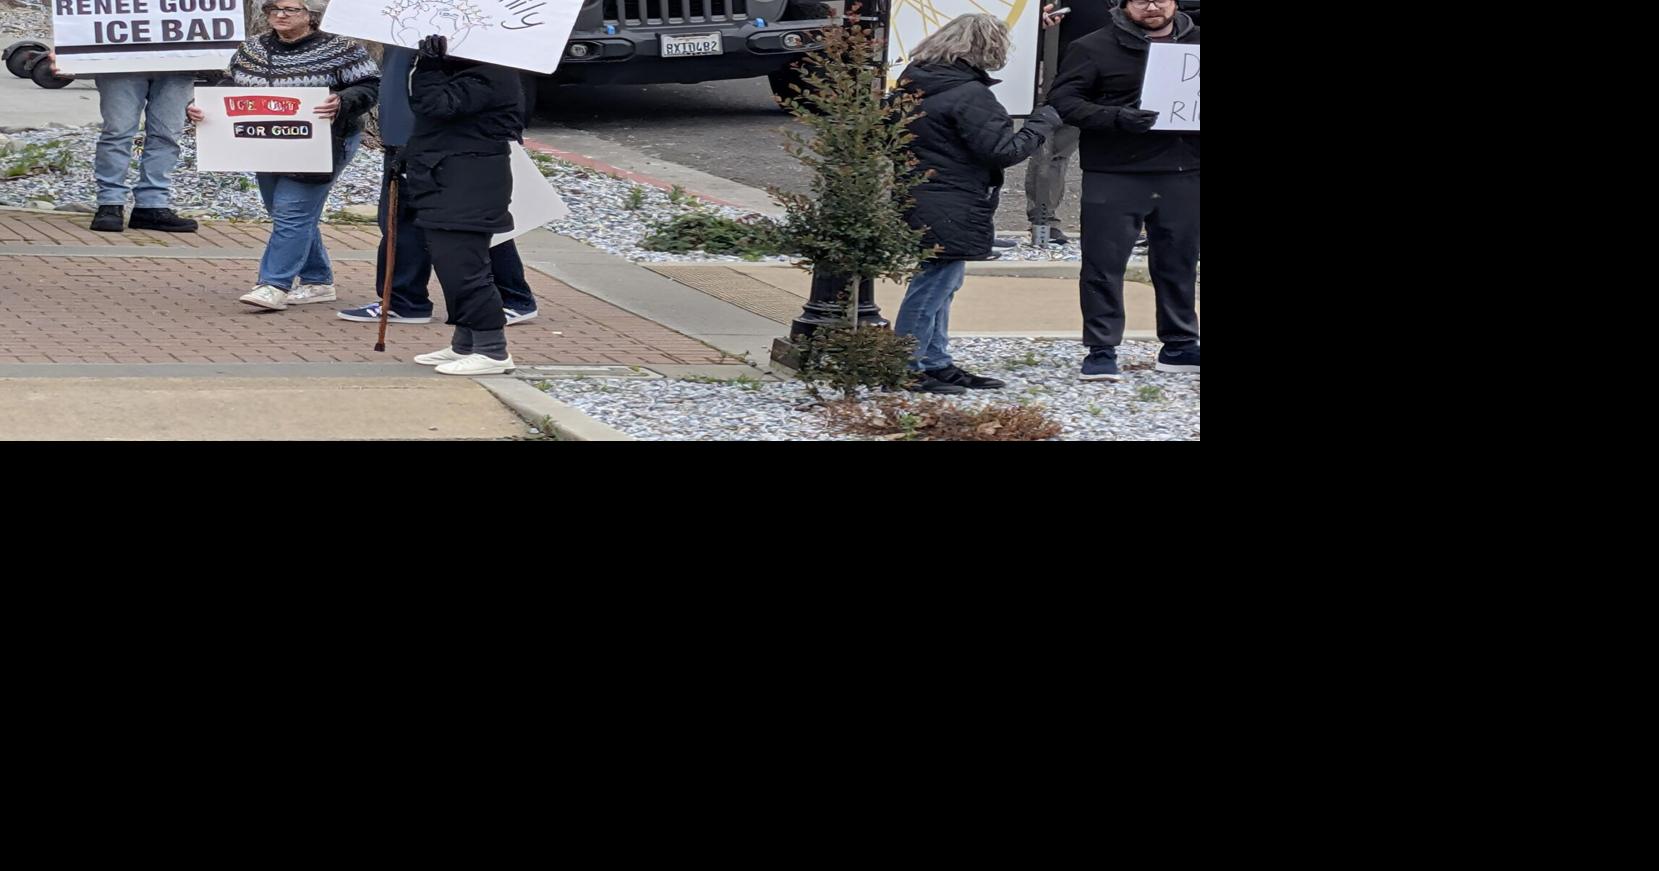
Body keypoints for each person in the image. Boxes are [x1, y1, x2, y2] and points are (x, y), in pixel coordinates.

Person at [893, 13, 1060, 394]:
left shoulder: (914, 83)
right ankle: (908, 365)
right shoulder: (969, 94)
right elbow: (1002, 150)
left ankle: (934, 361)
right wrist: (1041, 123)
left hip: (920, 191)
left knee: (942, 279)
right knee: (934, 284)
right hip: (954, 197)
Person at [188, 0, 380, 312]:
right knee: (285, 212)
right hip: (266, 142)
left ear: (312, 15)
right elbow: (229, 85)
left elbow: (369, 86)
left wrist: (342, 101)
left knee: (293, 210)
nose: (280, 14)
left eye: (291, 9)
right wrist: (203, 108)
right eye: (273, 8)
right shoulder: (252, 48)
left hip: (325, 141)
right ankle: (317, 280)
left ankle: (273, 284)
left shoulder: (342, 48)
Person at [1047, 0, 1199, 380]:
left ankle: (1180, 343)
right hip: (1114, 170)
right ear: (1124, 4)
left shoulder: (1196, 44)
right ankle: (1102, 348)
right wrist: (1115, 117)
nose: (1153, 7)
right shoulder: (1092, 46)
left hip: (1184, 169)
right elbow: (1064, 101)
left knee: (1179, 262)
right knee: (1103, 263)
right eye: (1142, 0)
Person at [336, 45, 539, 328]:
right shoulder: (402, 37)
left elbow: (446, 99)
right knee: (406, 222)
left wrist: (431, 66)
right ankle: (405, 300)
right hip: (410, 135)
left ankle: (510, 298)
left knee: (464, 228)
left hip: (440, 142)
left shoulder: (466, 52)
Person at [399, 35, 524, 376]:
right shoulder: (469, 70)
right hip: (449, 179)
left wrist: (428, 67)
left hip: (467, 183)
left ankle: (493, 350)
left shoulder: (491, 73)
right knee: (452, 266)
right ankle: (466, 342)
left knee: (465, 269)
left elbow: (435, 105)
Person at [47, 55, 199, 233]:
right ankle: (116, 203)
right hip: (124, 59)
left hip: (169, 61)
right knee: (119, 133)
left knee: (165, 136)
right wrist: (64, 51)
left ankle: (143, 205)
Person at [1024, 1, 1113, 246]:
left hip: (1114, 78)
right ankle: (1044, 221)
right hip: (1067, 79)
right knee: (1053, 152)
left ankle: (1123, 222)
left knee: (1122, 153)